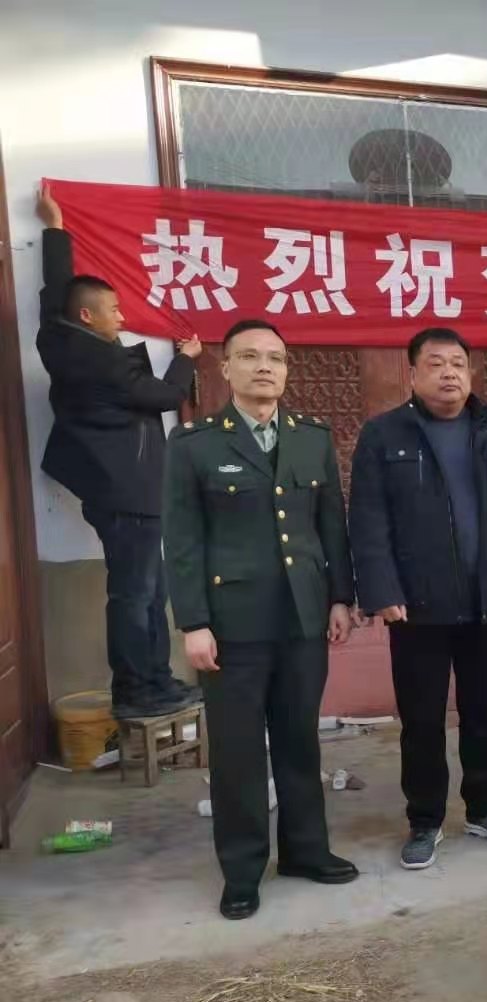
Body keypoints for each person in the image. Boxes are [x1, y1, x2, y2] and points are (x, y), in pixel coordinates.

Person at [163, 319, 357, 920]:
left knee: (299, 740)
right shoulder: (194, 445)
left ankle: (305, 851)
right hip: (231, 627)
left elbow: (330, 524)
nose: (264, 367)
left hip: (303, 618)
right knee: (239, 752)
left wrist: (340, 598)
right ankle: (243, 871)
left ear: (287, 369)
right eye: (249, 356)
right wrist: (193, 622)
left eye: (275, 357)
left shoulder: (311, 438)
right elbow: (183, 540)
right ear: (226, 368)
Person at [349, 328, 487, 871]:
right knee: (422, 720)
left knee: (484, 712)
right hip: (417, 607)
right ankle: (425, 819)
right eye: (435, 364)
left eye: (458, 362)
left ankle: (485, 807)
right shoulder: (384, 435)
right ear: (413, 374)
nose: (449, 373)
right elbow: (367, 519)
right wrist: (382, 590)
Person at [35, 182, 203, 719]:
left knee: (145, 591)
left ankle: (155, 680)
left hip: (113, 490)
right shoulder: (107, 364)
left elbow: (56, 292)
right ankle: (137, 689)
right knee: (137, 594)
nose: (123, 317)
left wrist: (55, 229)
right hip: (130, 494)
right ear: (88, 318)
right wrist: (187, 356)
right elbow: (169, 396)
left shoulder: (56, 340)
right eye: (113, 310)